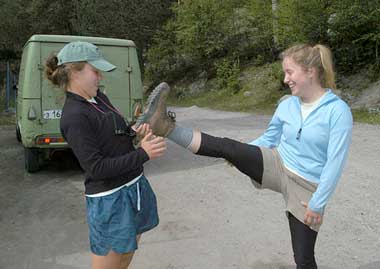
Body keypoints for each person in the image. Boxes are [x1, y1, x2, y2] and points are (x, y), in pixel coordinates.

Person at [136, 44, 353, 268]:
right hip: (277, 164)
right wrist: (242, 155)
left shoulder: (337, 111)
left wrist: (317, 204)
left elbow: (335, 163)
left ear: (310, 71)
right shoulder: (288, 104)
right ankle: (166, 127)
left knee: (303, 257)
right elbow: (269, 140)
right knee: (228, 147)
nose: (285, 79)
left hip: (306, 186)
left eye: (289, 72)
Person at [45, 41, 167, 269]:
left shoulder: (99, 98)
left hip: (134, 187)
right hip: (111, 199)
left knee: (126, 257)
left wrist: (134, 133)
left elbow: (113, 134)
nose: (100, 77)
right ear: (73, 72)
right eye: (95, 71)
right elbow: (97, 168)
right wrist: (143, 154)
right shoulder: (74, 116)